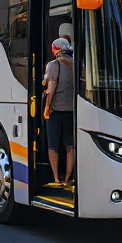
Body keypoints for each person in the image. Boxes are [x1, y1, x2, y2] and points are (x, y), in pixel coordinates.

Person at [42, 38, 76, 188]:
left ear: (56, 49)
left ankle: (56, 177)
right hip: (71, 111)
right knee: (70, 146)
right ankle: (68, 177)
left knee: (53, 146)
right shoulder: (76, 64)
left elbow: (50, 85)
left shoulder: (53, 65)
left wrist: (46, 107)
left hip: (56, 110)